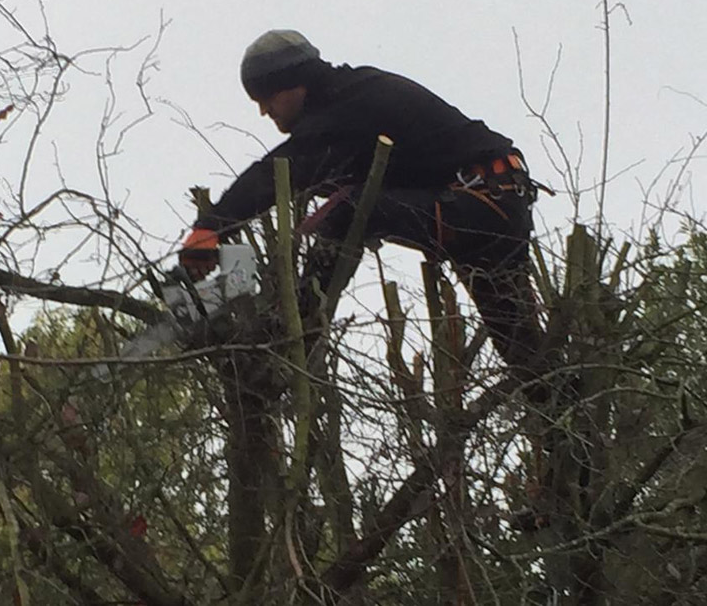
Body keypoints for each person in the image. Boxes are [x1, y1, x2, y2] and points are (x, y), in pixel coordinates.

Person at [179, 29, 548, 370]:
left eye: (266, 97)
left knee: (348, 208)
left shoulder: (347, 106)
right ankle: (566, 426)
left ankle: (294, 332)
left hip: (481, 202)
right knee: (524, 354)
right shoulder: (348, 106)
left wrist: (211, 227)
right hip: (492, 203)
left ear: (294, 85)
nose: (264, 111)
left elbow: (280, 171)